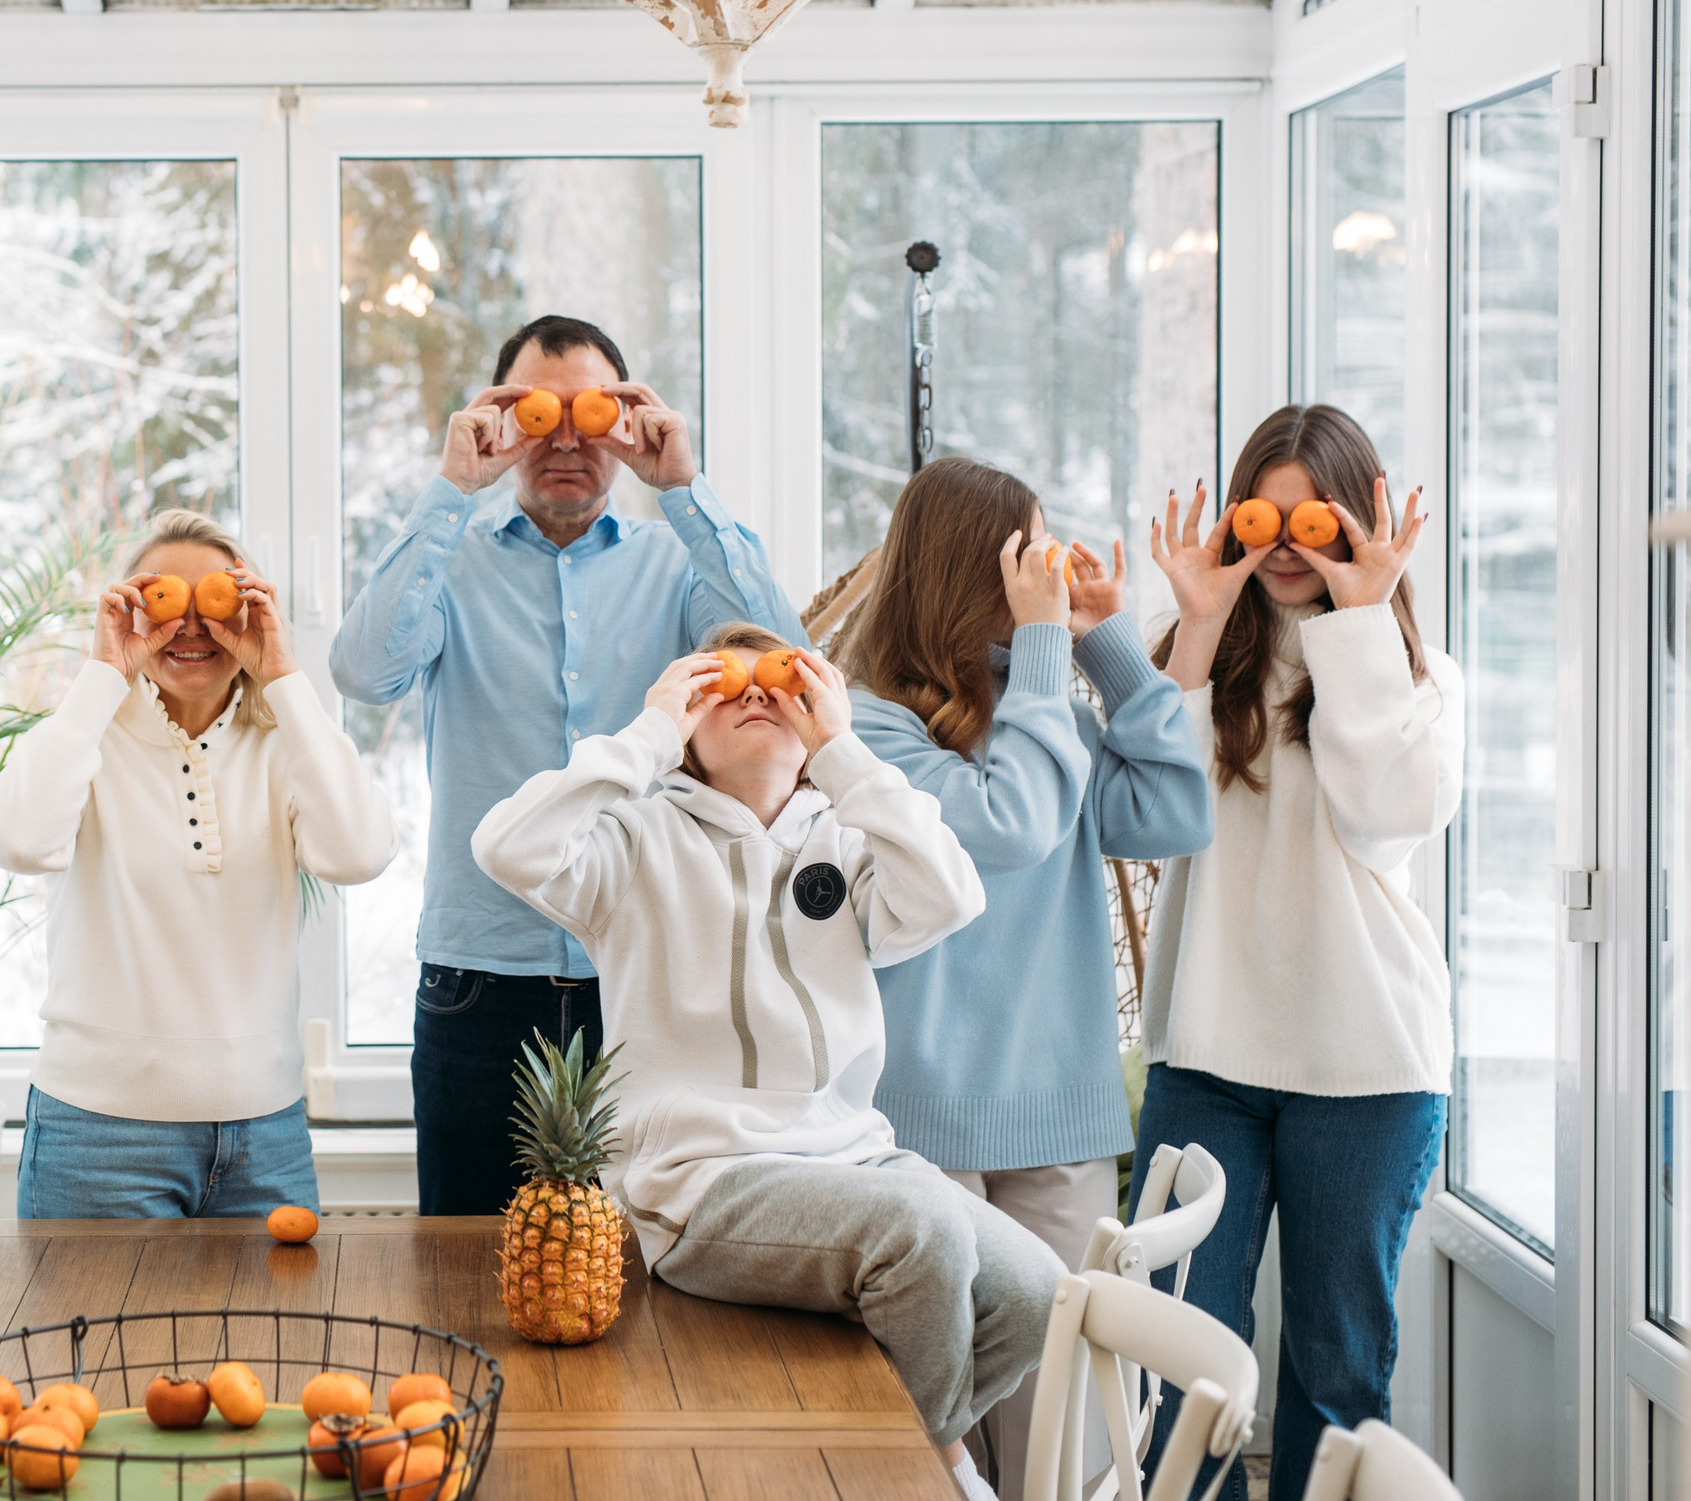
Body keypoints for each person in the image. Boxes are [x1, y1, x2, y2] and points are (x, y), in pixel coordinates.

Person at [473, 624, 1054, 1501]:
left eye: (779, 682)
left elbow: (952, 895)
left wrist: (844, 753)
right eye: (723, 685)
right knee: (922, 1227)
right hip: (702, 1179)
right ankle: (931, 1472)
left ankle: (876, 1453)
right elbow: (505, 846)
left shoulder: (849, 836)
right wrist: (647, 734)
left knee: (1038, 1289)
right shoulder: (632, 843)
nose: (754, 694)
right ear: (686, 724)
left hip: (854, 1160)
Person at [330, 313, 803, 1216]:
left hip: (646, 974)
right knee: (467, 1274)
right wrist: (450, 489)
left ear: (626, 425)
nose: (568, 442)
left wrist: (684, 489)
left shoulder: (678, 565)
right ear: (504, 425)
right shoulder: (450, 565)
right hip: (478, 985)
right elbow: (363, 671)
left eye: (594, 417)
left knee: (645, 1275)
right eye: (541, 416)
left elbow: (786, 664)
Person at [840, 456, 1213, 1500]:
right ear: (974, 571)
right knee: (934, 1433)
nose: (1044, 573)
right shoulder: (871, 728)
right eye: (1029, 554)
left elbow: (1176, 814)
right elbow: (1006, 825)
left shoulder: (1044, 706)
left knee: (1067, 1433)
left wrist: (1102, 643)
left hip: (1055, 1120)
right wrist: (1051, 656)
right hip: (923, 1124)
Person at [1133, 405, 1460, 1501]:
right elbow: (1153, 818)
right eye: (1262, 514)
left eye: (1310, 516)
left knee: (1334, 1377)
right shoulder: (1199, 662)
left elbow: (1385, 818)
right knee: (1179, 1365)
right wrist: (1193, 622)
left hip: (1365, 1069)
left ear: (1359, 522)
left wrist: (1361, 620)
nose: (1283, 541)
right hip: (1209, 1058)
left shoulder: (1417, 676)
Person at [0, 511, 394, 1217]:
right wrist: (106, 670)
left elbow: (358, 852)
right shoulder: (85, 736)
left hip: (267, 1135)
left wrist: (284, 675)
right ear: (133, 609)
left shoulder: (285, 743)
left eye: (218, 602)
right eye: (168, 601)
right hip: (97, 1137)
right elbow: (18, 840)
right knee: (93, 1337)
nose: (193, 625)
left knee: (276, 1335)